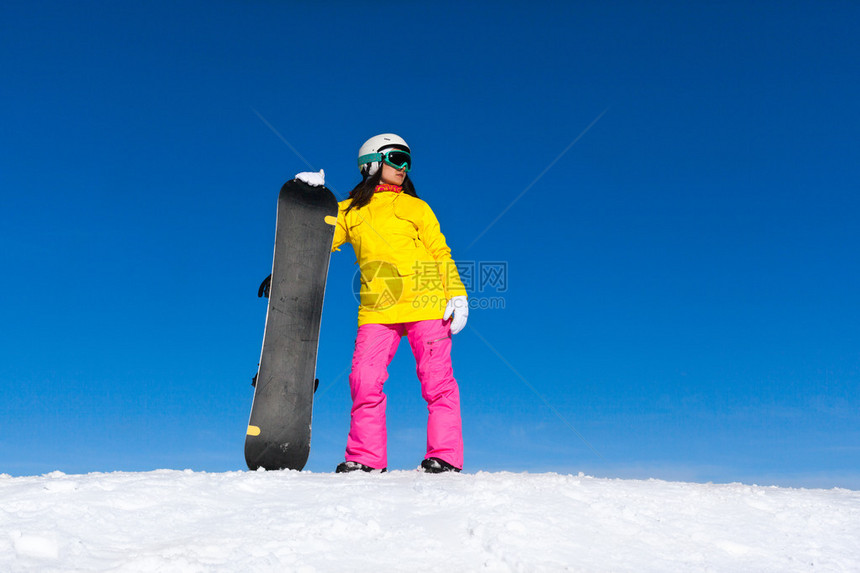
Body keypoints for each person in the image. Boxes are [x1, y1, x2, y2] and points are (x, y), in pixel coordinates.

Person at [296, 133, 468, 473]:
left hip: (427, 302)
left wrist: (457, 294)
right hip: (378, 307)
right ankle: (366, 458)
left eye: (408, 160)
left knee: (437, 381)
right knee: (364, 378)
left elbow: (439, 252)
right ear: (371, 164)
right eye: (396, 158)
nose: (404, 167)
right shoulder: (349, 212)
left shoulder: (417, 207)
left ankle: (445, 456)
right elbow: (320, 242)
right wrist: (313, 201)